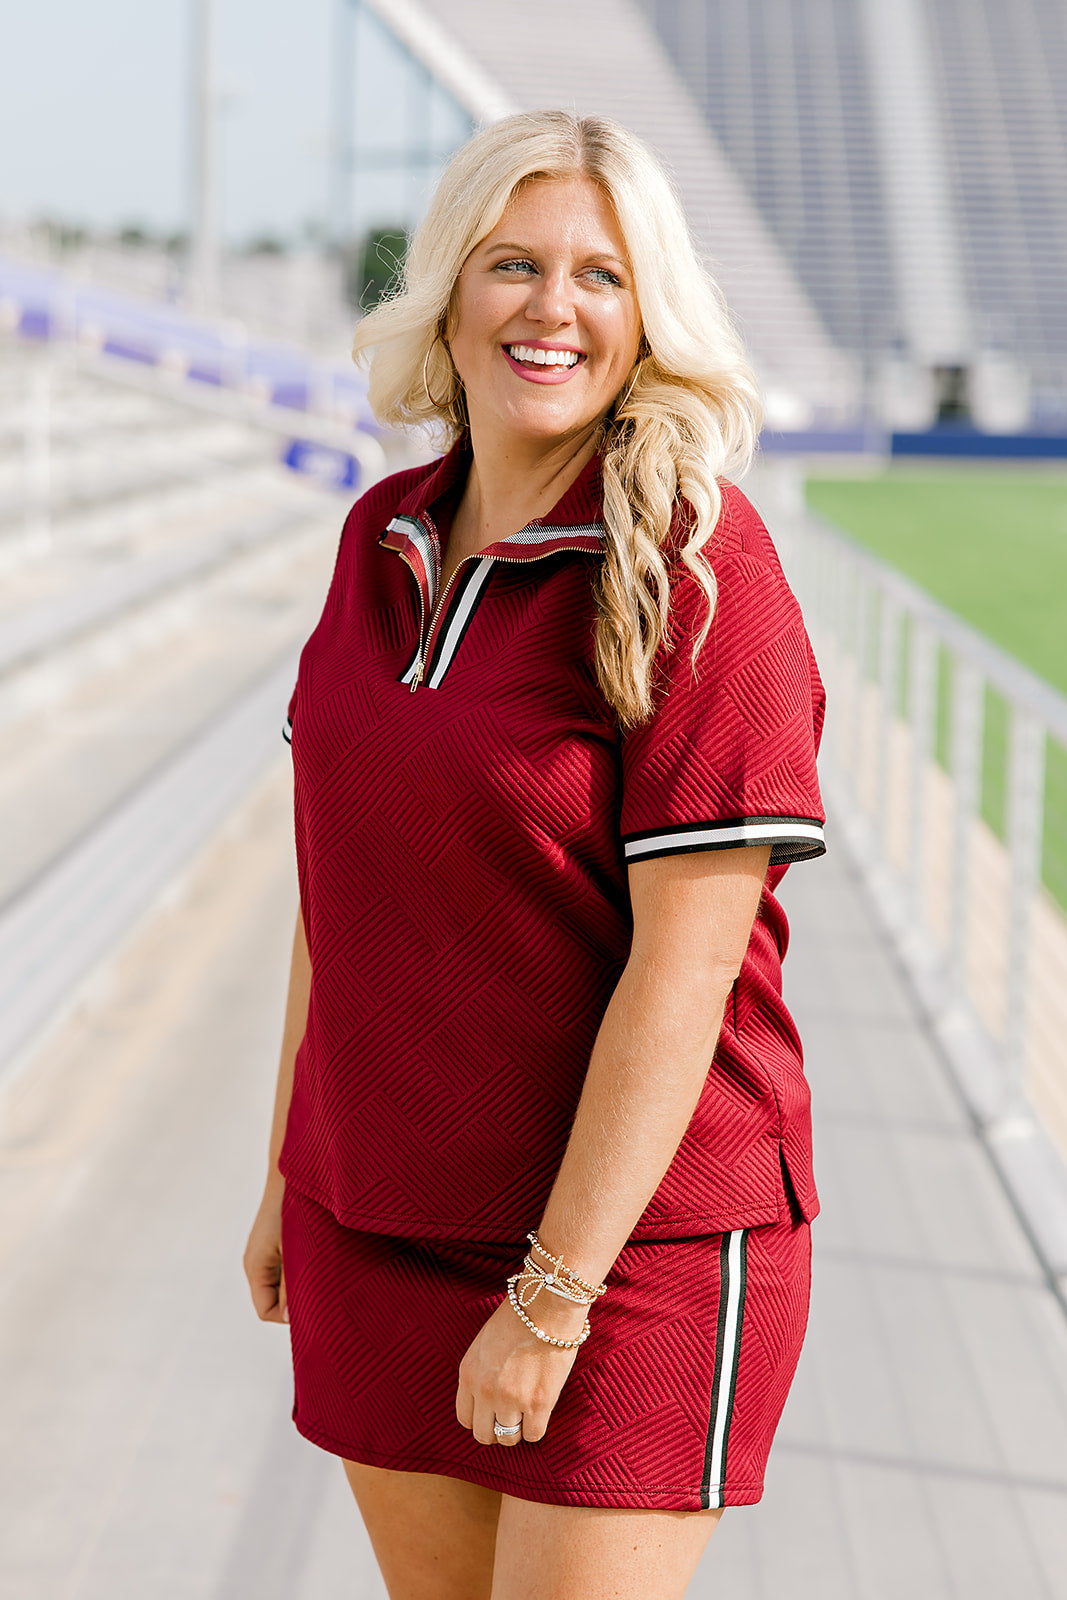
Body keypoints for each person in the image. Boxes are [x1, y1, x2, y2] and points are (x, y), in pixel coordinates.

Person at [244, 109, 826, 1600]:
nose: (551, 307)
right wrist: (287, 1169)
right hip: (377, 1222)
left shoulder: (701, 568)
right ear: (448, 290)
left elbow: (687, 974)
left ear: (651, 316)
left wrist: (553, 1299)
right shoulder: (380, 535)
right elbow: (336, 886)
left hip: (629, 1254)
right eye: (513, 263)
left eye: (600, 275)